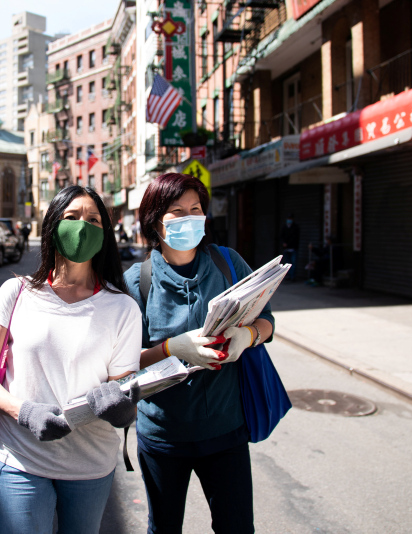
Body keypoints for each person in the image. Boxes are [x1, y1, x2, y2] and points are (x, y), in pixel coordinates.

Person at [0, 185, 143, 533]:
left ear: (104, 234)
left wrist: (122, 404)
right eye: (72, 217)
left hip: (91, 465)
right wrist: (24, 412)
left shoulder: (123, 307)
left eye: (93, 219)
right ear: (51, 227)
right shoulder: (15, 292)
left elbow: (123, 382)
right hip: (19, 457)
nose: (82, 226)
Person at [123, 173, 275, 533]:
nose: (189, 218)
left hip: (226, 431)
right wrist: (171, 348)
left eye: (196, 209)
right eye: (177, 211)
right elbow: (123, 361)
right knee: (163, 527)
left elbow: (267, 320)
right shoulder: (136, 281)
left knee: (236, 527)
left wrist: (248, 335)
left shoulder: (228, 263)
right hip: (164, 436)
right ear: (155, 221)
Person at [281, 213, 300, 281]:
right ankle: (288, 276)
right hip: (286, 249)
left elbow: (295, 238)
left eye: (290, 219)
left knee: (293, 263)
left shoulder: (295, 227)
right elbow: (282, 236)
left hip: (293, 248)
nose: (289, 220)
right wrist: (284, 243)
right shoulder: (284, 227)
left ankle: (292, 277)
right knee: (287, 263)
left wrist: (288, 244)